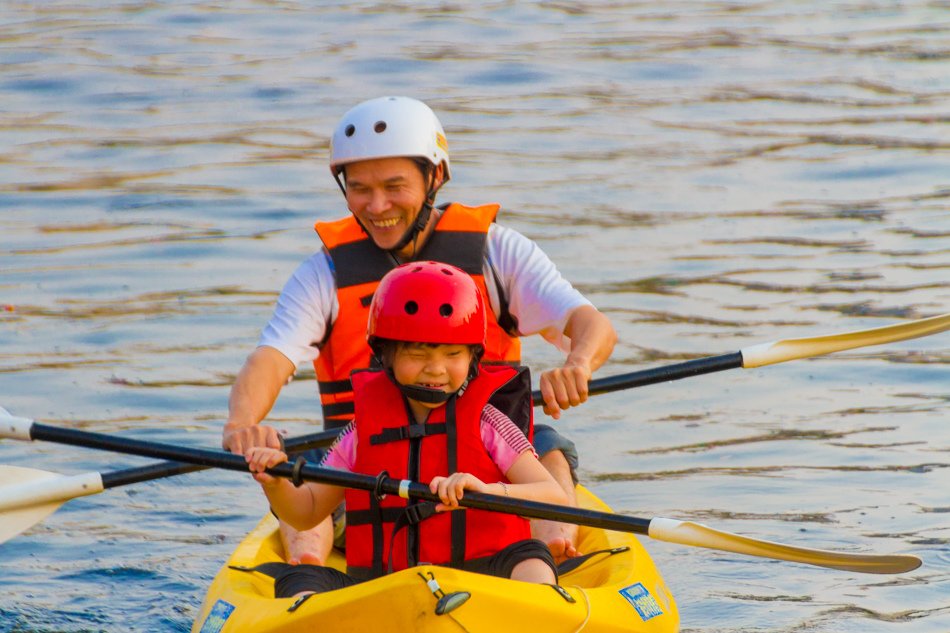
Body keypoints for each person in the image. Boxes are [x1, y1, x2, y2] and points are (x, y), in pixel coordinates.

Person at [223, 96, 617, 566]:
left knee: (547, 445)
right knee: (307, 467)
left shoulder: (497, 253)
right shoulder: (324, 272)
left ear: (435, 177)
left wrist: (577, 364)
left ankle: (554, 550)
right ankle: (308, 570)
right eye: (360, 189)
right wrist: (242, 425)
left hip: (485, 463)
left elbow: (590, 324)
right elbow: (270, 358)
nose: (377, 205)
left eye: (394, 186)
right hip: (370, 458)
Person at [245, 262, 566, 597]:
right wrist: (276, 481)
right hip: (385, 584)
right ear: (387, 355)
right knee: (300, 579)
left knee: (531, 558)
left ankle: (542, 610)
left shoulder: (489, 422)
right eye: (417, 353)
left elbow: (553, 494)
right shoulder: (359, 433)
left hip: (484, 576)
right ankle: (310, 618)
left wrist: (486, 491)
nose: (436, 369)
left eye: (453, 353)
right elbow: (306, 512)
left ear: (472, 358)